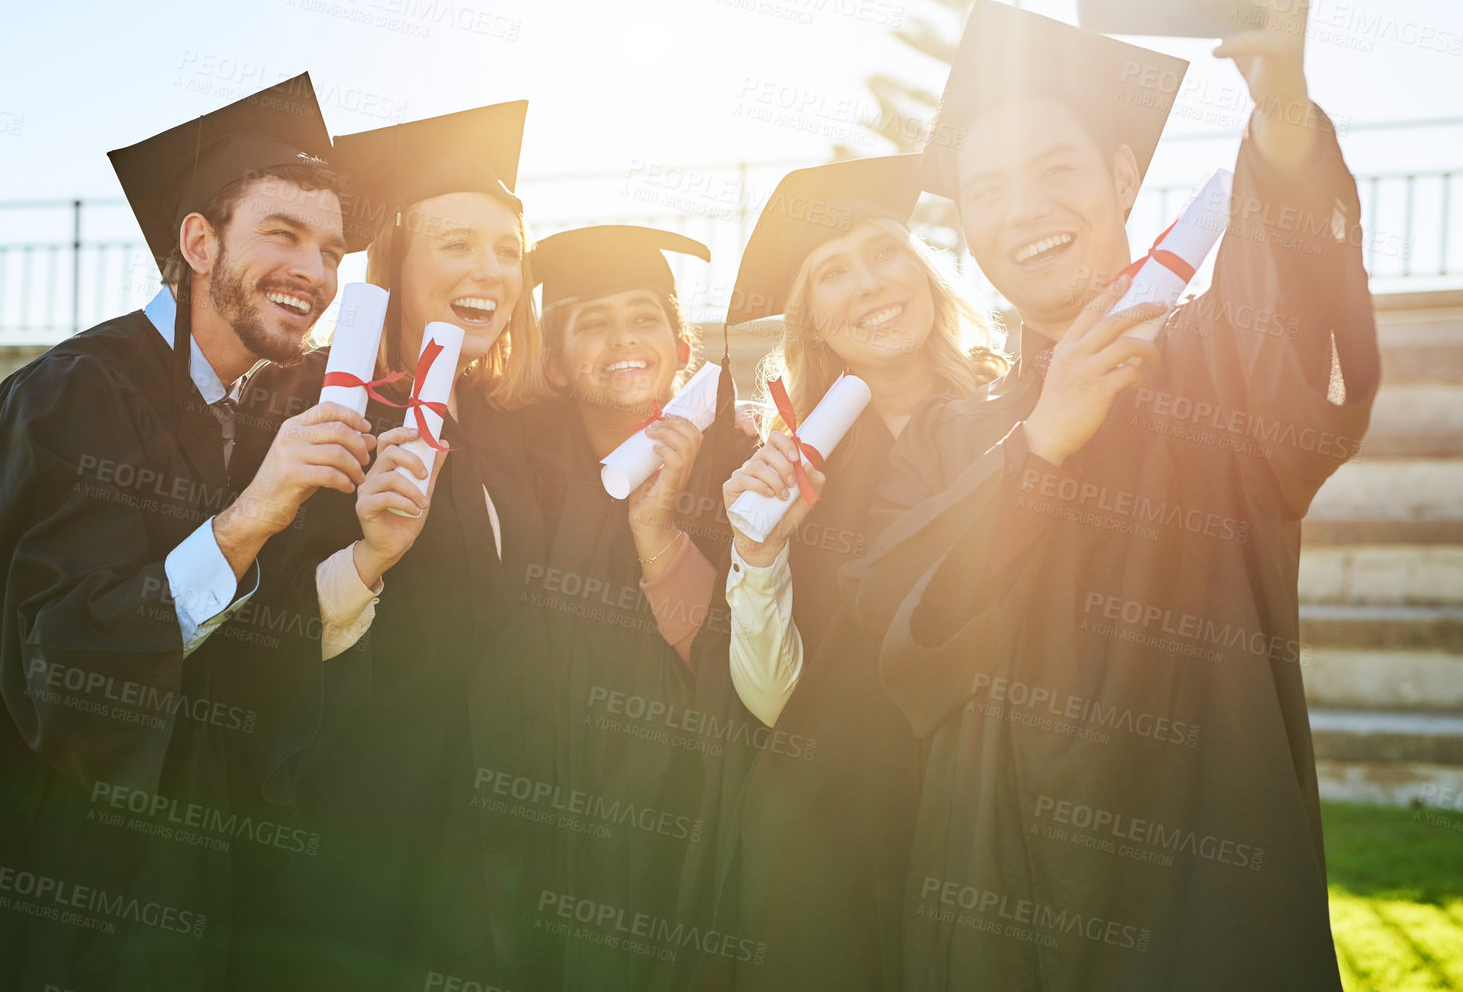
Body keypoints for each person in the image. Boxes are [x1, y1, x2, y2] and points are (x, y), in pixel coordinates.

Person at [851, 0, 1378, 989]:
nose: (1025, 210)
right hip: (996, 901)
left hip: (1200, 898)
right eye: (988, 189)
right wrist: (1040, 441)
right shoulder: (952, 434)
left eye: (1057, 170)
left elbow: (1301, 328)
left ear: (1125, 176)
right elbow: (901, 639)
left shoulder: (1209, 363)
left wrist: (1281, 104)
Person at [0, 75, 379, 991]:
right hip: (37, 900)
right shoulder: (71, 398)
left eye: (331, 249)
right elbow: (66, 667)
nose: (314, 271)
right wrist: (252, 515)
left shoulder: (244, 414)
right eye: (283, 233)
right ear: (197, 240)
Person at [228, 100, 553, 992]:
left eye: (507, 250)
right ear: (398, 260)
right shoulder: (296, 401)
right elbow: (242, 639)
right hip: (344, 843)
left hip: (490, 844)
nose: (489, 268)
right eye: (455, 242)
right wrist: (366, 561)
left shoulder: (513, 425)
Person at [692, 155, 1007, 990]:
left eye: (884, 251)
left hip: (997, 821)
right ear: (812, 323)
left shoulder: (1015, 422)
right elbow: (768, 700)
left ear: (926, 273)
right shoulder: (789, 473)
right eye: (832, 271)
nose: (869, 283)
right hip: (831, 841)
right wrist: (760, 553)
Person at [520, 224, 756, 990]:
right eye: (591, 320)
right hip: (535, 821)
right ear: (554, 363)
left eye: (644, 316)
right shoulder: (517, 478)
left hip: (690, 821)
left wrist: (660, 534)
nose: (622, 337)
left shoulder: (739, 466)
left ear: (682, 346)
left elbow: (742, 672)